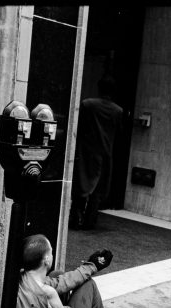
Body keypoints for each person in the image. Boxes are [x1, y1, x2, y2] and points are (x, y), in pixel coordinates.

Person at [70, 75, 123, 230]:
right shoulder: (118, 111)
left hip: (87, 151)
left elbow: (79, 128)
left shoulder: (88, 105)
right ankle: (90, 221)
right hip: (105, 153)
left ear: (99, 88)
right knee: (97, 191)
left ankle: (76, 217)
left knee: (82, 185)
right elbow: (119, 133)